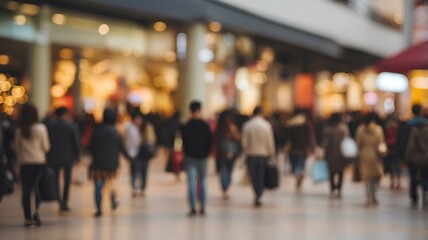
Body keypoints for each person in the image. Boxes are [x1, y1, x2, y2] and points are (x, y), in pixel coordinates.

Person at [89, 108, 130, 217]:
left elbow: (91, 147)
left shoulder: (97, 131)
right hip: (112, 163)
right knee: (111, 183)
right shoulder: (116, 132)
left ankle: (99, 209)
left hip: (98, 163)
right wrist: (129, 158)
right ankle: (113, 200)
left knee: (98, 185)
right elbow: (122, 147)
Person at [14, 104, 50, 226]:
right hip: (39, 163)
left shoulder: (19, 130)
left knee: (26, 191)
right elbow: (46, 147)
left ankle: (27, 217)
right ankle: (36, 213)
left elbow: (17, 149)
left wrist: (19, 162)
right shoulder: (41, 128)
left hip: (25, 164)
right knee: (38, 190)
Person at [47, 107, 80, 212]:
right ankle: (65, 201)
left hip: (54, 157)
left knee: (55, 179)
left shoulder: (50, 127)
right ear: (66, 114)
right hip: (68, 157)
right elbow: (76, 143)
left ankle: (58, 199)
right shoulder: (71, 126)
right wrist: (77, 156)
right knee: (67, 179)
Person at [182, 101, 212, 216]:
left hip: (190, 157)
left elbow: (184, 142)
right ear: (200, 110)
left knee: (191, 182)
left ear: (190, 111)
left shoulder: (186, 126)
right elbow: (209, 142)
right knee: (203, 181)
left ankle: (193, 207)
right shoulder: (205, 125)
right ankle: (203, 206)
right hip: (202, 157)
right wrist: (206, 153)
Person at [241, 106, 275, 207]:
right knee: (261, 175)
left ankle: (256, 193)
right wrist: (271, 153)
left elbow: (244, 142)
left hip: (251, 154)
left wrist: (245, 151)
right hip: (263, 154)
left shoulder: (247, 125)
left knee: (253, 176)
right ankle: (259, 194)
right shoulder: (266, 125)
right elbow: (270, 141)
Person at [355, 113, 386, 206]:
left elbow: (358, 143)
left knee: (367, 178)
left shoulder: (360, 130)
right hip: (376, 155)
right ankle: (374, 194)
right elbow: (381, 142)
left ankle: (369, 197)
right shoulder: (378, 130)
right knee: (377, 176)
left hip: (364, 154)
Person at [402, 104, 428, 208]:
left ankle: (414, 198)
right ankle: (425, 195)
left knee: (413, 178)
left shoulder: (410, 127)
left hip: (414, 158)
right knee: (426, 177)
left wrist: (406, 158)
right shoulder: (426, 127)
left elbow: (409, 145)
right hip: (426, 158)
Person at [286, 109, 316, 190]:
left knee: (295, 165)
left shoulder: (291, 124)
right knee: (302, 164)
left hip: (294, 149)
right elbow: (309, 137)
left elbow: (289, 138)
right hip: (303, 149)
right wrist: (311, 147)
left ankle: (297, 177)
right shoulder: (306, 124)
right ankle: (301, 175)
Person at [321, 113, 349, 197]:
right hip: (342, 153)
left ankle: (333, 189)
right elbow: (347, 140)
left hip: (330, 153)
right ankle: (339, 189)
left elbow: (325, 143)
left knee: (331, 172)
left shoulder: (328, 129)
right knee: (341, 172)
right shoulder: (343, 128)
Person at [217, 110, 240, 200]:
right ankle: (225, 188)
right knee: (227, 171)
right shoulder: (231, 127)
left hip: (223, 152)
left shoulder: (220, 127)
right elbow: (238, 137)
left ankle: (225, 189)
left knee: (225, 171)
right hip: (229, 152)